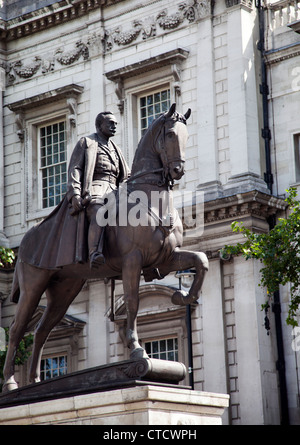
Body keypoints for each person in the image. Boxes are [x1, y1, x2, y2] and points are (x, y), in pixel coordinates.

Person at [67, 111, 130, 268]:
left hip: (116, 189)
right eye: (110, 123)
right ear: (99, 126)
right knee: (98, 210)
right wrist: (75, 193)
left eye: (115, 123)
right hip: (96, 187)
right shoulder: (87, 142)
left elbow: (126, 174)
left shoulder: (117, 149)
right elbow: (75, 168)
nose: (114, 125)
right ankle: (95, 252)